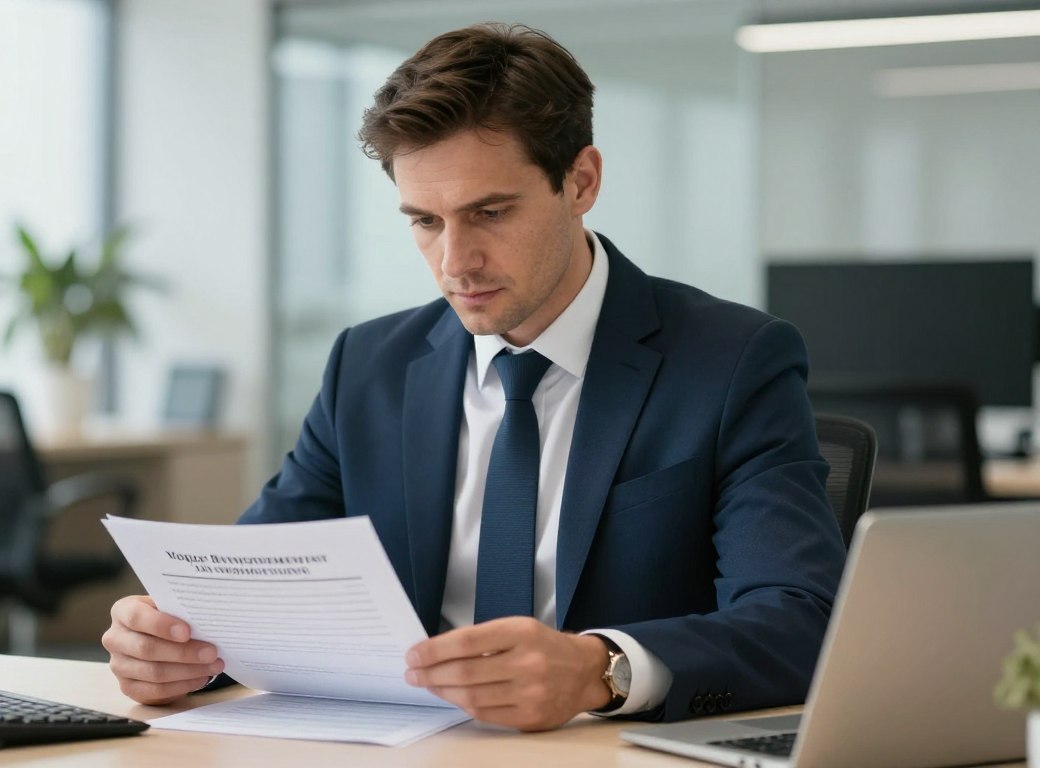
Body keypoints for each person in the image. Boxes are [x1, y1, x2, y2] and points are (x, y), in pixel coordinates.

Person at [102, 22, 845, 731]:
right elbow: (254, 595)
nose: (455, 262)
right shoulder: (369, 366)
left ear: (581, 181)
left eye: (489, 212)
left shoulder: (731, 360)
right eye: (425, 221)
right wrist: (177, 648)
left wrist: (601, 669)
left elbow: (798, 618)